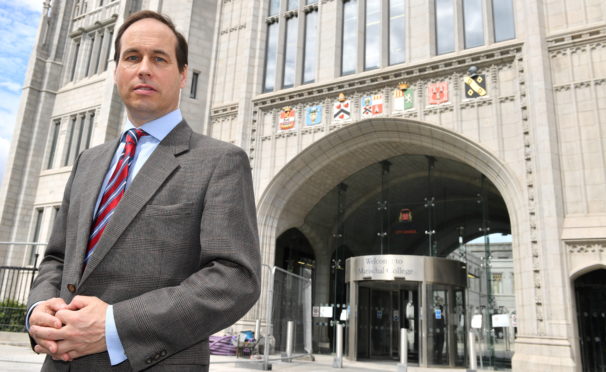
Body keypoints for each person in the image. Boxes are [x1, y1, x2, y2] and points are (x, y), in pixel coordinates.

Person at [26, 10, 261, 372]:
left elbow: (234, 279)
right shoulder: (88, 161)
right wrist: (38, 310)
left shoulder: (220, 161)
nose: (144, 68)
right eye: (132, 57)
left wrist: (114, 325)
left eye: (159, 58)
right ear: (117, 68)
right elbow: (57, 259)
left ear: (183, 75)